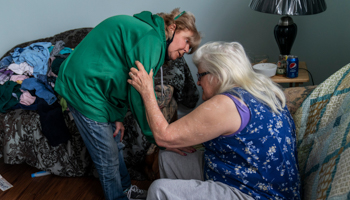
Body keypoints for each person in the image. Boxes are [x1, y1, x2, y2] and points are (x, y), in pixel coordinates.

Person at [54, 8, 201, 200]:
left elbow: (127, 79)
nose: (187, 50)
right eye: (187, 40)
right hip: (84, 89)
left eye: (190, 49)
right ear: (173, 28)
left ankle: (125, 189)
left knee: (115, 146)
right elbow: (140, 95)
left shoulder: (150, 35)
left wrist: (117, 116)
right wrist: (159, 138)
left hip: (98, 90)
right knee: (106, 155)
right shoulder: (152, 39)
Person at [127, 41, 301, 200]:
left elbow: (163, 136)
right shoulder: (262, 90)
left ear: (218, 73)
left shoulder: (226, 104)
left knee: (158, 190)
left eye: (200, 74)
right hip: (244, 174)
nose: (198, 82)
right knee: (167, 158)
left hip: (256, 194)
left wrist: (147, 91)